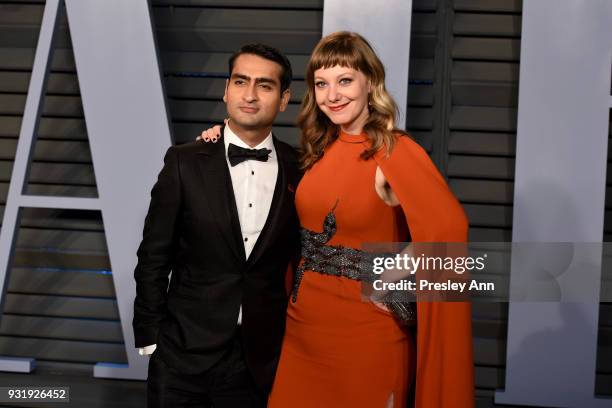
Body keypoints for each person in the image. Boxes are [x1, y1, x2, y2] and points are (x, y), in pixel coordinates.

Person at [200, 32, 474, 407]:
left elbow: (449, 228)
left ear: (370, 82)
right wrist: (218, 137)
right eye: (321, 84)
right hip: (302, 329)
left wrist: (390, 276)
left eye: (345, 80)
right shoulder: (318, 150)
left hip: (366, 333)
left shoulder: (394, 150)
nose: (333, 95)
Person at [133, 43, 301, 408]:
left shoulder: (302, 168)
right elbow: (153, 254)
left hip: (257, 361)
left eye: (265, 85)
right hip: (181, 354)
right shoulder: (184, 161)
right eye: (241, 82)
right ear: (226, 90)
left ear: (285, 98)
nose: (251, 95)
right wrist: (150, 336)